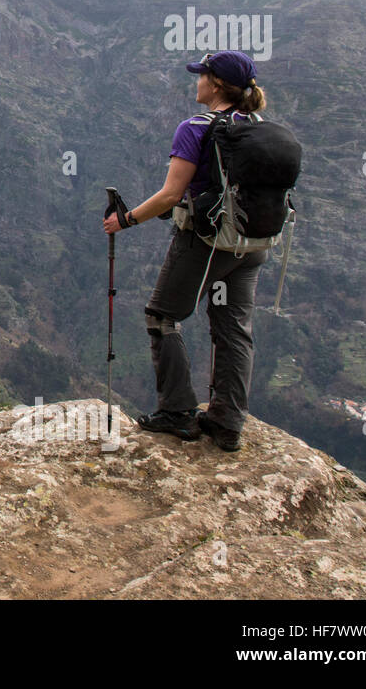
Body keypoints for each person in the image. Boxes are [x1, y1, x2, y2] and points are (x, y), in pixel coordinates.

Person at [101, 50, 268, 452]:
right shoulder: (258, 126)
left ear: (217, 85)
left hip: (205, 242)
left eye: (202, 76)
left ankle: (177, 412)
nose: (197, 82)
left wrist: (126, 220)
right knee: (233, 330)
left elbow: (172, 194)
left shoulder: (196, 127)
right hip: (252, 243)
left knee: (162, 317)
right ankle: (228, 423)